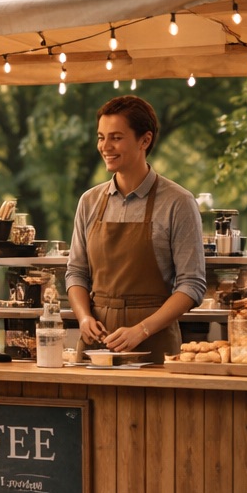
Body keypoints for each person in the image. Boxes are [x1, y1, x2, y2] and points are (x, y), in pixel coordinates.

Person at [66, 95, 206, 361]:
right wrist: (84, 318)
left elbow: (192, 285)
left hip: (154, 344)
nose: (105, 146)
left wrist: (141, 330)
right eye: (100, 137)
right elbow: (76, 273)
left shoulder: (178, 202)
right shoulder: (89, 201)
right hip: (96, 346)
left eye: (116, 137)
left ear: (145, 140)